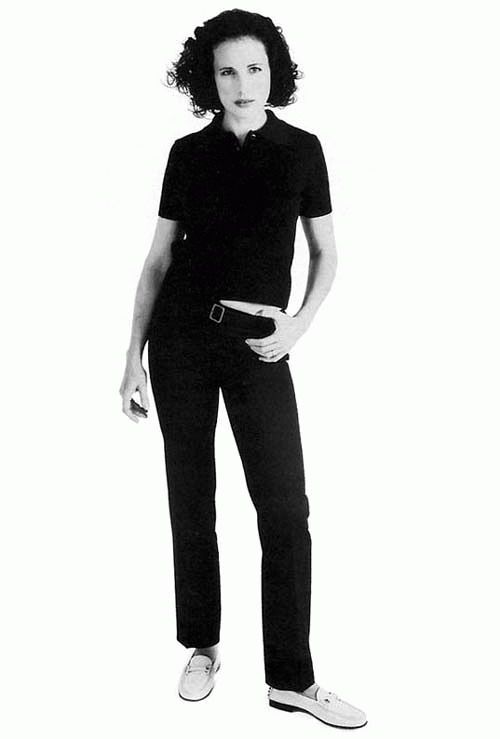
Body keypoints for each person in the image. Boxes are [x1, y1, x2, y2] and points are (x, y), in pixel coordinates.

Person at [119, 9, 367, 729]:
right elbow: (158, 260)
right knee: (191, 498)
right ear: (208, 79)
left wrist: (298, 324)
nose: (241, 83)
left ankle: (292, 678)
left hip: (261, 344)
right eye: (226, 71)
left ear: (273, 72)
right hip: (181, 342)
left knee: (286, 509)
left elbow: (326, 253)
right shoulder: (187, 153)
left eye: (254, 68)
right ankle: (202, 645)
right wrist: (131, 355)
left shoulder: (301, 150)